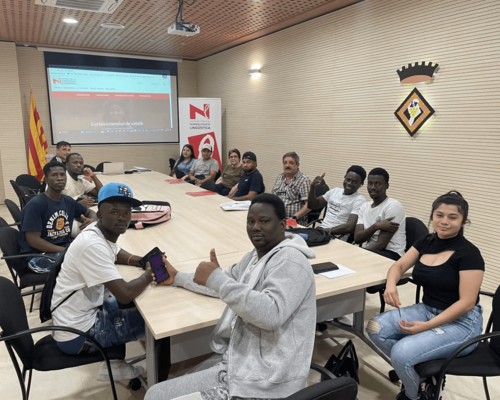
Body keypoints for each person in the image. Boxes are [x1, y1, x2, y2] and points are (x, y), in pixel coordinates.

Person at [145, 194, 316, 400]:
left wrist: (218, 280)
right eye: (250, 221)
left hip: (266, 381)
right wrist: (178, 277)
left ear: (282, 225)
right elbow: (222, 282)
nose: (255, 227)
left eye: (264, 221)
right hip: (242, 361)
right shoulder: (255, 257)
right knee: (169, 388)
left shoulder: (291, 260)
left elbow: (271, 313)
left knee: (155, 396)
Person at [367, 191, 484, 400]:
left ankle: (415, 395)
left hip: (461, 322)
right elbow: (399, 265)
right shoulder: (426, 242)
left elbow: (467, 303)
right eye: (439, 215)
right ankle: (423, 376)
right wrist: (391, 285)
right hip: (427, 309)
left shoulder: (469, 254)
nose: (444, 221)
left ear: (463, 221)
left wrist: (427, 326)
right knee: (375, 328)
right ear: (432, 216)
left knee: (401, 353)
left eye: (452, 217)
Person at [51, 182, 152, 382]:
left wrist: (140, 260)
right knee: (152, 320)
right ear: (99, 214)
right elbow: (125, 293)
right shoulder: (92, 244)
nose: (122, 217)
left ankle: (114, 365)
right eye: (114, 212)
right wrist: (149, 274)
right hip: (77, 335)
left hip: (75, 316)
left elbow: (114, 252)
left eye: (127, 212)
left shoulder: (97, 232)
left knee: (125, 300)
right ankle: (145, 375)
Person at [18, 161, 97, 273]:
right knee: (88, 266)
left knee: (97, 253)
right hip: (39, 256)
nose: (60, 178)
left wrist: (92, 219)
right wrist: (67, 250)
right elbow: (33, 241)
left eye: (62, 175)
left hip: (62, 249)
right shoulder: (36, 205)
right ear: (46, 180)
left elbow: (90, 212)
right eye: (54, 175)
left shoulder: (67, 200)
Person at [354, 167, 406, 260]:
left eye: (377, 184)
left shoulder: (393, 206)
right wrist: (376, 226)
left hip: (391, 254)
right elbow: (358, 238)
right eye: (370, 183)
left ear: (387, 186)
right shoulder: (364, 206)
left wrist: (358, 254)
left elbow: (381, 244)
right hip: (372, 250)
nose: (373, 187)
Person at [308, 165, 366, 240]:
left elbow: (350, 227)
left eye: (354, 182)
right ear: (344, 177)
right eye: (348, 179)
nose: (349, 183)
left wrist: (327, 231)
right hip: (320, 231)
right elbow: (311, 205)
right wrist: (313, 186)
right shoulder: (334, 191)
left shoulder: (359, 200)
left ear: (361, 184)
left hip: (336, 237)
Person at [271, 152, 310, 225]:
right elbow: (272, 197)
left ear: (297, 165)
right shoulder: (280, 177)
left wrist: (294, 217)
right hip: (277, 218)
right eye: (285, 163)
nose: (287, 165)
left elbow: (309, 205)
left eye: (291, 163)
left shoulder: (304, 180)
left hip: (295, 221)